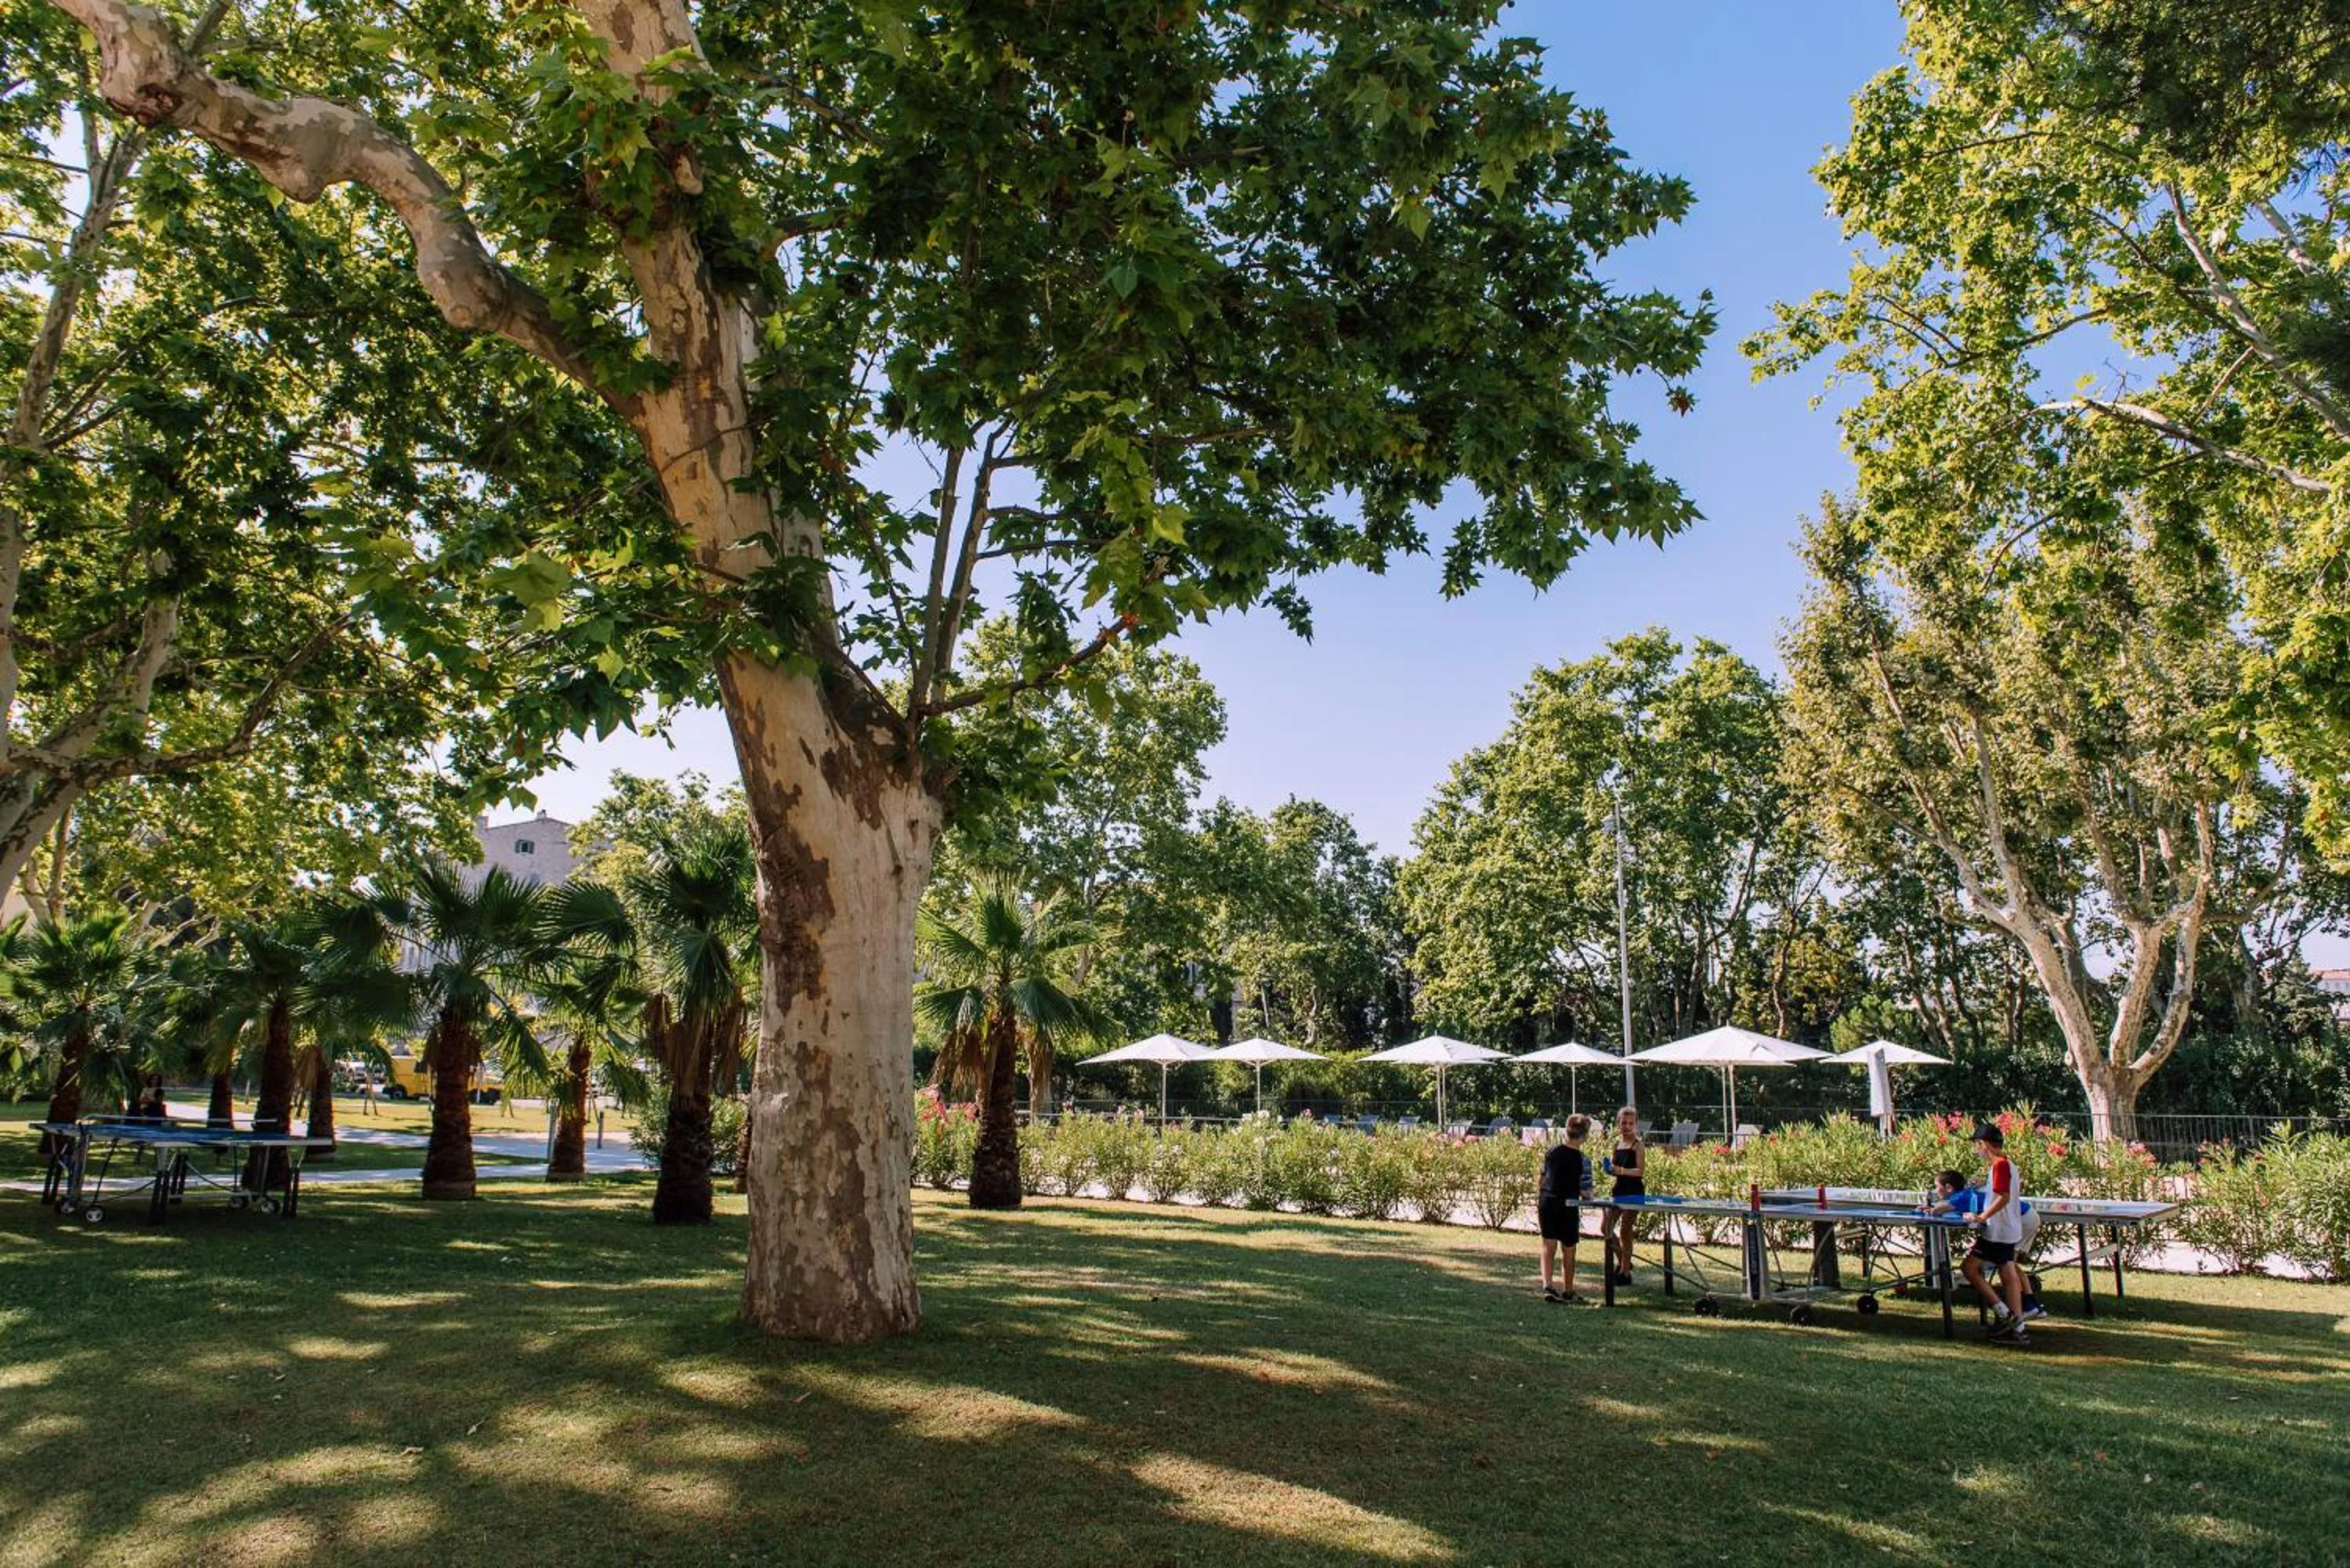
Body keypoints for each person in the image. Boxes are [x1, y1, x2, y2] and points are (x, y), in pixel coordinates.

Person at [1929, 1168, 2045, 1321]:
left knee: (1992, 1265)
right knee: (2009, 1263)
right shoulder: (1968, 1193)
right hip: (2028, 1215)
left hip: (2018, 1220)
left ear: (1949, 1188)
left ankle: (2008, 1313)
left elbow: (1938, 1210)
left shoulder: (1959, 1197)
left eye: (1937, 1187)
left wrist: (1930, 1208)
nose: (1936, 1191)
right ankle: (2030, 1304)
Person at [1957, 1124, 2030, 1344]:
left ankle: (2004, 1314)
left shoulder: (1999, 1165)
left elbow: (2003, 1197)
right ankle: (2018, 1327)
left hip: (1997, 1230)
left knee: (1969, 1268)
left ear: (1984, 1145)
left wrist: (1981, 1217)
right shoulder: (2008, 1165)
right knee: (2009, 1275)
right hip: (2009, 1228)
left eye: (1976, 1146)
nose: (1976, 1150)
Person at [1537, 1113, 1596, 1302]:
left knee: (1548, 1244)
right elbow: (1586, 1191)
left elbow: (1541, 1178)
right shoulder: (1583, 1160)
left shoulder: (1551, 1152)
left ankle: (1548, 1285)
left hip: (1547, 1201)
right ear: (1585, 1136)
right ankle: (1568, 1289)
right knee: (1568, 1248)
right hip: (1568, 1204)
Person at [1600, 1106, 1644, 1288]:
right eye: (1623, 1123)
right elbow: (1616, 1169)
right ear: (1618, 1124)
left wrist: (1621, 1170)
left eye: (1630, 1123)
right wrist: (1611, 1169)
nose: (1626, 1127)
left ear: (1635, 1124)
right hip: (1618, 1190)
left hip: (1634, 1191)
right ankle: (1624, 1261)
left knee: (1626, 1230)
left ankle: (1625, 1273)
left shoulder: (1638, 1145)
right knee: (1606, 1228)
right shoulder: (1617, 1145)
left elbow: (1640, 1171)